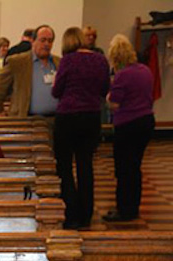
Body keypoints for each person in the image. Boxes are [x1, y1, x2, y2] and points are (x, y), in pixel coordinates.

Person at [51, 27, 110, 229]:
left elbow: (57, 90)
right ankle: (86, 214)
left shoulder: (68, 60)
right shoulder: (100, 59)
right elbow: (105, 89)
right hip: (92, 117)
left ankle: (72, 214)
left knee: (65, 167)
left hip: (68, 117)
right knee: (86, 166)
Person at [102, 34, 155, 222]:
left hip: (128, 124)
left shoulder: (123, 75)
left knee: (124, 169)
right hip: (146, 121)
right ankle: (133, 207)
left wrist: (108, 96)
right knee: (135, 167)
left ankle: (124, 210)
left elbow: (114, 104)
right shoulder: (145, 71)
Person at [0, 25, 60, 118]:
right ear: (33, 41)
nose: (46, 44)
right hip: (26, 119)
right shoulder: (17, 62)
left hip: (55, 119)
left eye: (50, 41)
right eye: (43, 40)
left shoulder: (59, 63)